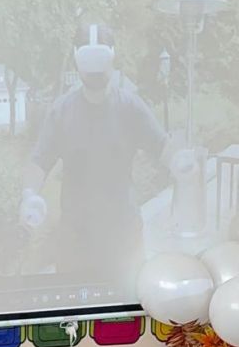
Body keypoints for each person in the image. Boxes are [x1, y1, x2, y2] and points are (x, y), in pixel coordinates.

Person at [19, 21, 170, 286]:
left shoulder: (130, 107)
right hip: (75, 238)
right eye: (88, 63)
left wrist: (183, 163)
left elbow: (162, 146)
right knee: (74, 304)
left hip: (123, 235)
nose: (95, 72)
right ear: (77, 63)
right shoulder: (62, 111)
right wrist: (29, 194)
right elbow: (38, 160)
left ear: (112, 59)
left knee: (128, 303)